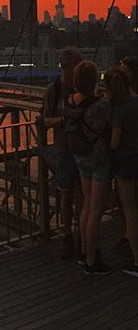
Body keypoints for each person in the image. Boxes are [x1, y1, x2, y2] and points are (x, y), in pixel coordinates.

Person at [39, 47, 83, 260]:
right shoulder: (53, 89)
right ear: (68, 67)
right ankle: (68, 235)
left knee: (84, 195)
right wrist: (64, 120)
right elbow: (45, 121)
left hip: (85, 151)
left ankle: (83, 234)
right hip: (65, 150)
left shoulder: (85, 87)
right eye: (78, 65)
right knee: (67, 195)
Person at [69, 61, 112, 274]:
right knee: (96, 210)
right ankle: (92, 261)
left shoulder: (70, 100)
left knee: (86, 205)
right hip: (99, 160)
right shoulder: (102, 104)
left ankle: (84, 251)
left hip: (80, 158)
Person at [108, 66, 138, 277]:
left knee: (130, 210)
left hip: (126, 164)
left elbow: (114, 143)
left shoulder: (118, 110)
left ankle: (136, 260)